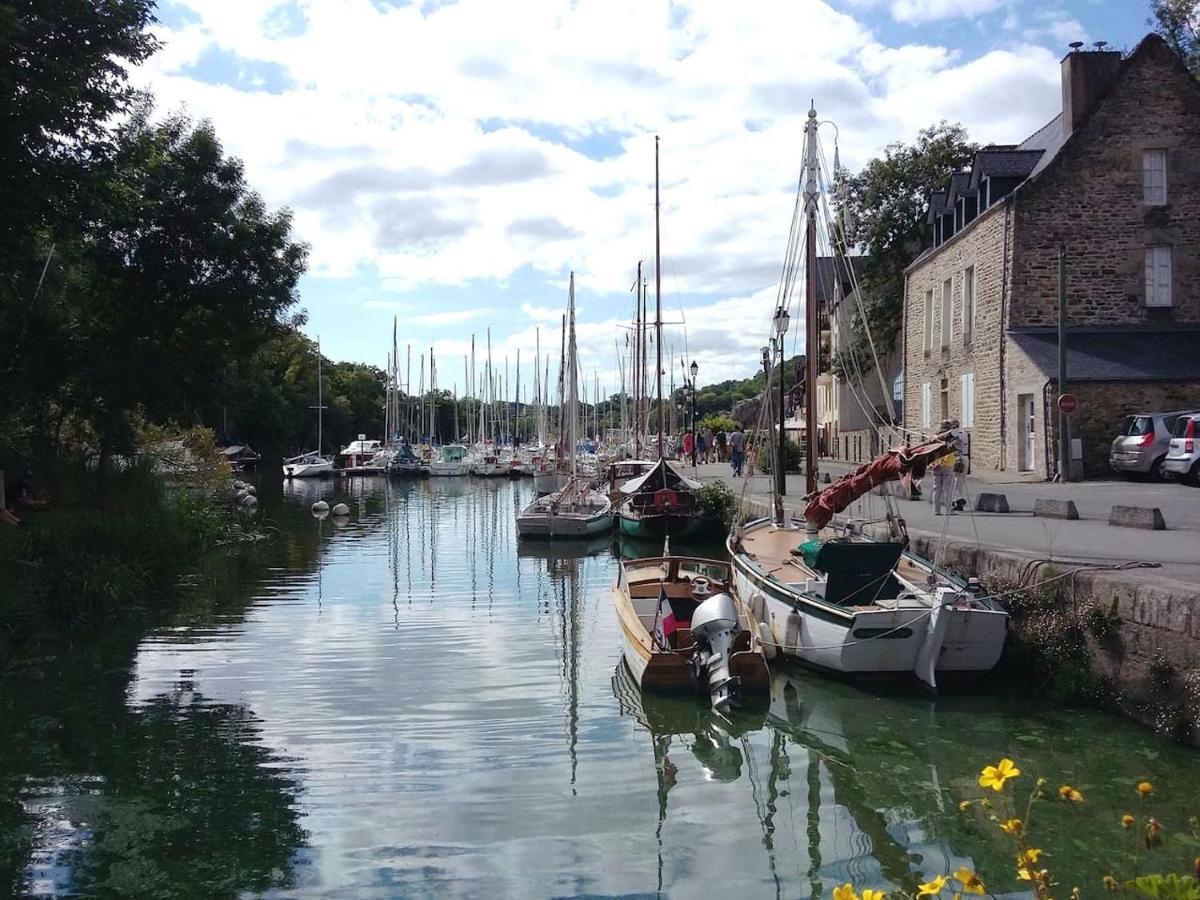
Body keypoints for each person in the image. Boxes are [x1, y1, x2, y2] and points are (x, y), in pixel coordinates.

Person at [930, 420, 956, 516]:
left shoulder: (935, 438)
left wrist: (933, 463)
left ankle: (936, 510)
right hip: (948, 464)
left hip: (936, 465)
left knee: (937, 488)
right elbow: (949, 451)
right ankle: (949, 510)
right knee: (947, 488)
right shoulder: (950, 437)